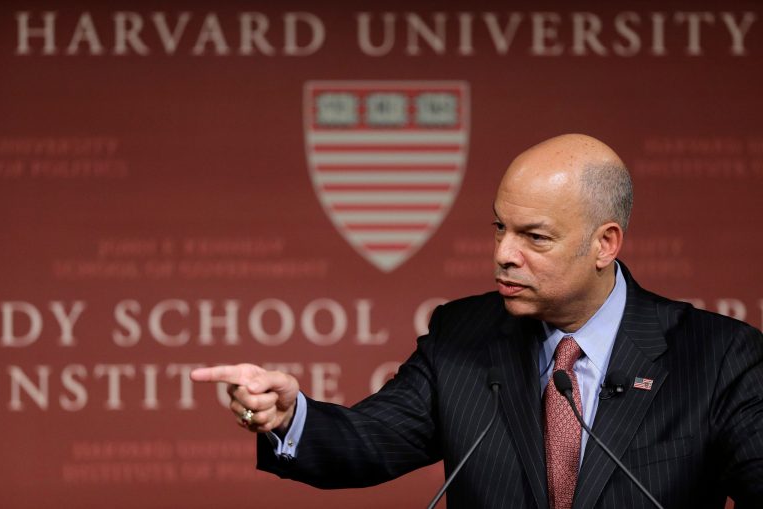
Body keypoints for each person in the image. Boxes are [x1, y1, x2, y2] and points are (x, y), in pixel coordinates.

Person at [191, 134, 763, 508]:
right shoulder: (462, 336)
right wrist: (290, 416)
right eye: (499, 228)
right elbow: (369, 441)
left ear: (604, 244)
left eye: (534, 237)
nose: (504, 255)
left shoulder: (719, 358)